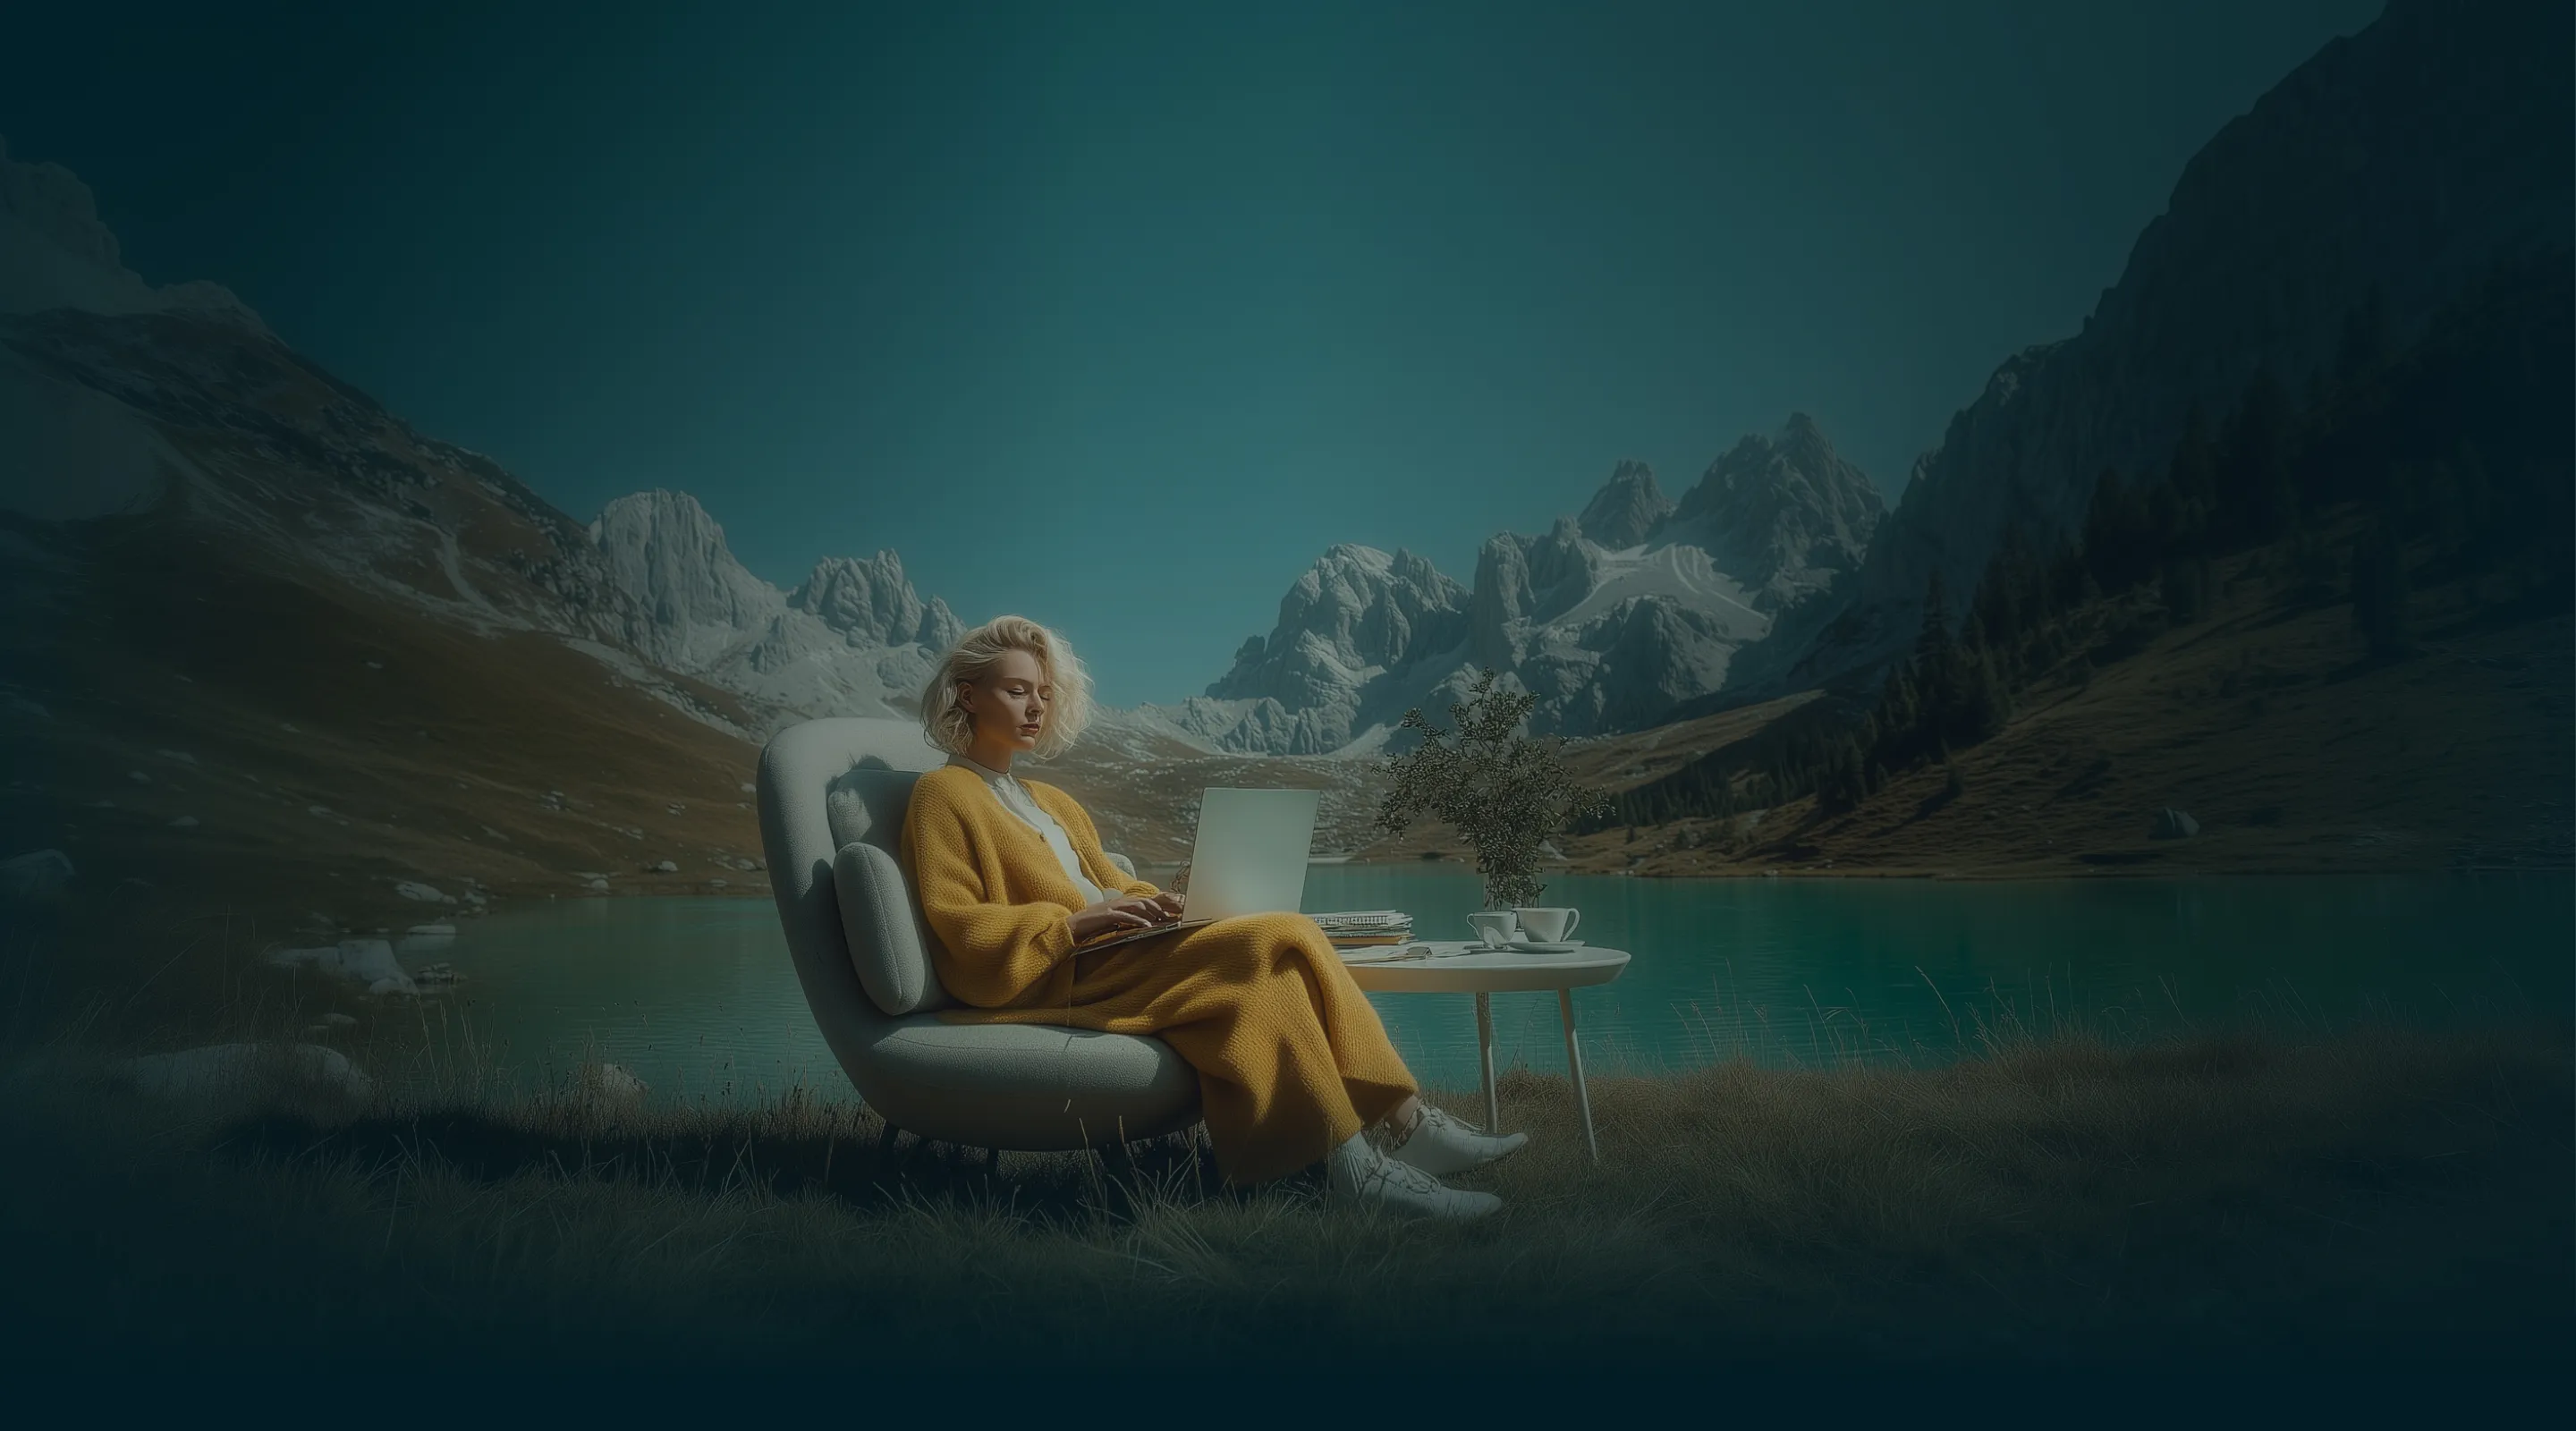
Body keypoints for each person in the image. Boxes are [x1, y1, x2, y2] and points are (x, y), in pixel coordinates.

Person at [900, 614, 1526, 1218]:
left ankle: (1359, 1167)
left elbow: (1111, 886)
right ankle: (1402, 1132)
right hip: (1065, 972)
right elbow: (959, 929)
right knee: (1287, 931)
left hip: (1120, 954)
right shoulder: (943, 795)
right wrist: (1075, 926)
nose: (1036, 706)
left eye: (1042, 692)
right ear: (968, 695)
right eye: (1016, 691)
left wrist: (1169, 903)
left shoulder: (1050, 799)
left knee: (1269, 975)